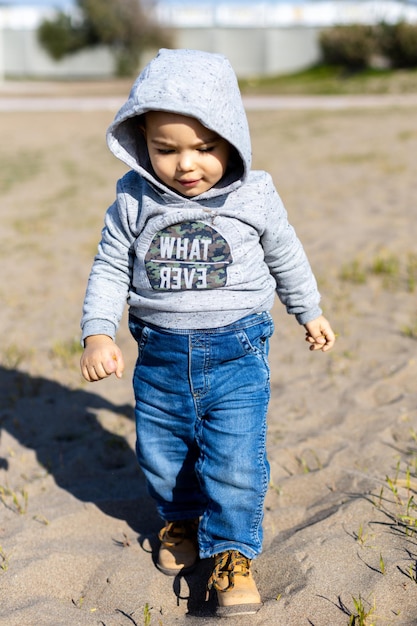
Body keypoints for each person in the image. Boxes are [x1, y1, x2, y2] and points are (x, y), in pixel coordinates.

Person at [80, 48, 335, 617]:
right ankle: (179, 520)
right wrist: (99, 332)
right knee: (163, 452)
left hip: (237, 351)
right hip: (160, 354)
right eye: (165, 149)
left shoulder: (254, 193)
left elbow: (285, 254)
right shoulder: (133, 197)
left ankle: (231, 553)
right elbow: (110, 265)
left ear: (234, 141)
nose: (185, 165)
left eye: (206, 147)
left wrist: (308, 309)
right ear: (141, 139)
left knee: (236, 458)